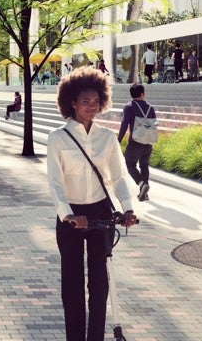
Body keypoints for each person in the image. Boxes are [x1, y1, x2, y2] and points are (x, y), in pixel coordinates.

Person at [46, 67, 138, 341]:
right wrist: (68, 215)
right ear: (71, 102)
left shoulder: (107, 138)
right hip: (72, 216)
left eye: (96, 101)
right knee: (72, 284)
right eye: (85, 101)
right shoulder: (58, 138)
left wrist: (128, 208)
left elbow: (118, 177)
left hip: (101, 213)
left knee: (100, 284)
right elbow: (55, 183)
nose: (92, 106)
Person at [117, 84, 156, 202]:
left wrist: (118, 140)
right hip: (148, 142)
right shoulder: (150, 108)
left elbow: (124, 124)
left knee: (129, 164)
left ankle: (141, 184)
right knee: (144, 165)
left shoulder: (129, 107)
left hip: (135, 142)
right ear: (142, 94)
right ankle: (145, 191)